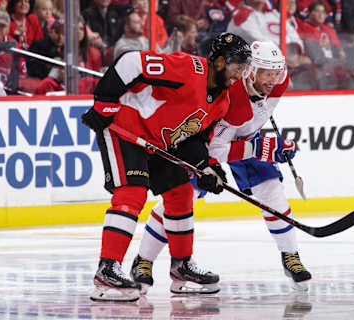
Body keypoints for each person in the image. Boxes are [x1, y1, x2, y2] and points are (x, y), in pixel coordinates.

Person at [81, 32, 252, 302]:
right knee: (132, 193)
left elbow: (192, 140)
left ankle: (181, 265)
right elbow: (130, 63)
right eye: (237, 67)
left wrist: (206, 167)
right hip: (125, 127)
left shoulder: (221, 102)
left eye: (244, 69)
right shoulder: (189, 69)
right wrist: (104, 103)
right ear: (219, 61)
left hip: (157, 142)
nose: (240, 75)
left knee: (181, 193)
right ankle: (107, 268)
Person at [131, 41, 312, 295]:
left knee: (271, 188)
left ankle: (290, 256)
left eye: (275, 73)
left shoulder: (280, 81)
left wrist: (273, 146)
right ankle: (143, 260)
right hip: (206, 142)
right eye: (265, 74)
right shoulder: (231, 98)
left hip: (244, 138)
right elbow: (216, 149)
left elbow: (258, 114)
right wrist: (260, 148)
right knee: (182, 198)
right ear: (249, 71)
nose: (272, 80)